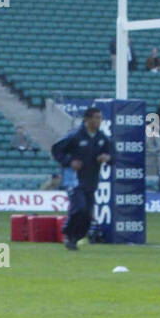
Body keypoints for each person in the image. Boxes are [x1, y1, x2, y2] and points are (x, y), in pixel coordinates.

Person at [51, 105, 112, 250]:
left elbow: (112, 156)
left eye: (100, 118)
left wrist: (107, 158)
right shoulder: (75, 136)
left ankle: (75, 237)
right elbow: (56, 150)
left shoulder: (102, 138)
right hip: (74, 179)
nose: (99, 121)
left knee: (87, 214)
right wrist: (69, 162)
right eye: (96, 118)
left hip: (91, 180)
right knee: (79, 208)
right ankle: (68, 233)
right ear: (87, 119)